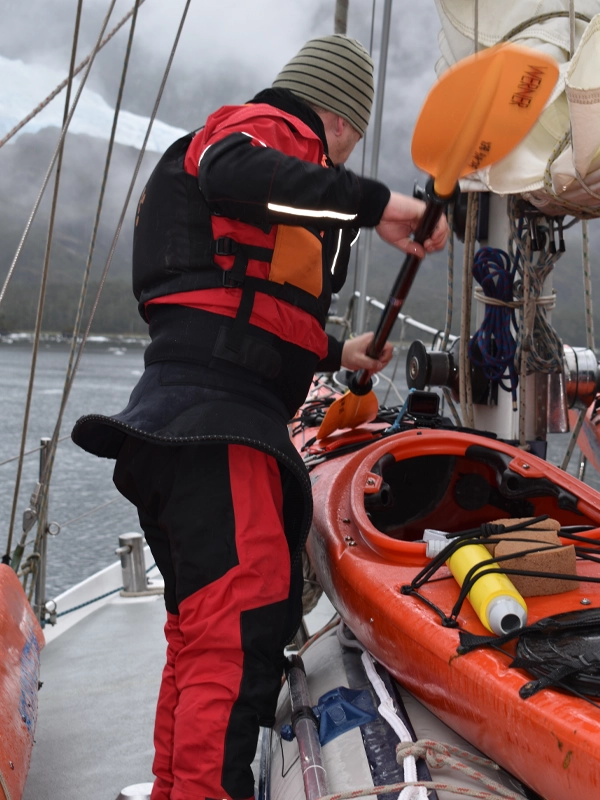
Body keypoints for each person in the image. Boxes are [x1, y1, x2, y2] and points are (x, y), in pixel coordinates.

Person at [72, 34, 448, 800]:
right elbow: (239, 174)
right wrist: (378, 204)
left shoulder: (262, 155)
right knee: (235, 632)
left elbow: (241, 315)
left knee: (201, 635)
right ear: (340, 120)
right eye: (343, 145)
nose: (331, 163)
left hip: (185, 417)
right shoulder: (264, 130)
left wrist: (341, 350)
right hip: (218, 430)